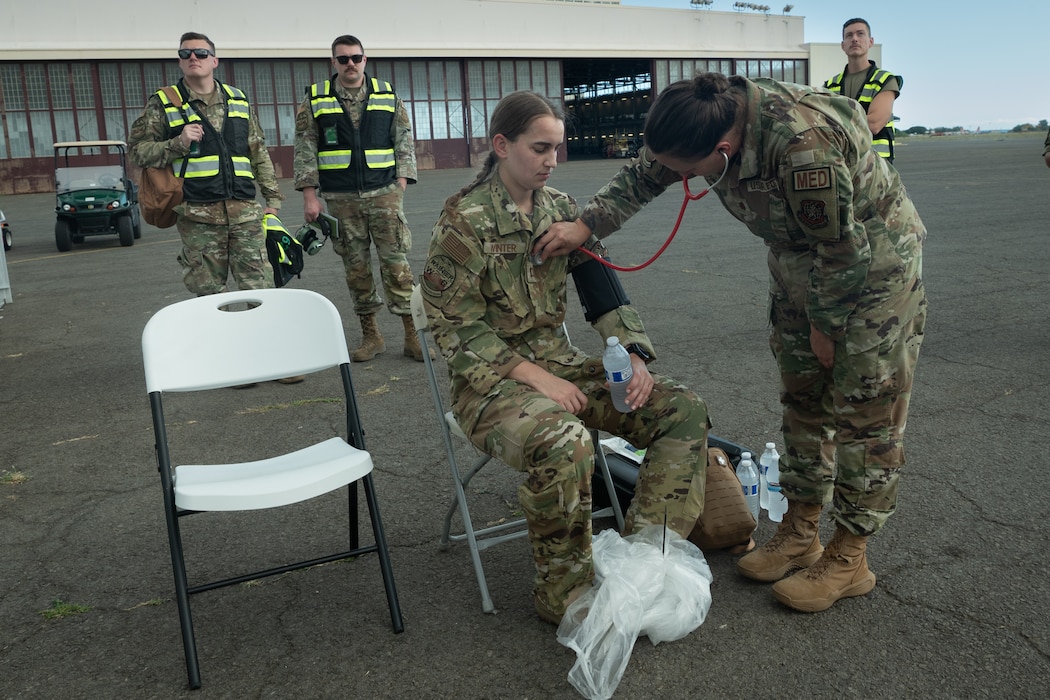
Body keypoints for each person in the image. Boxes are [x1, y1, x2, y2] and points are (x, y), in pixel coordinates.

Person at [536, 73, 927, 613]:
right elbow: (647, 173)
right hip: (796, 265)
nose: (677, 176)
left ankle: (850, 554)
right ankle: (803, 528)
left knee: (866, 414)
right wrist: (586, 224)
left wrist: (826, 327)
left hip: (867, 276)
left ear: (722, 150)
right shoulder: (702, 119)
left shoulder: (801, 145)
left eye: (687, 169)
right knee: (803, 401)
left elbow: (841, 247)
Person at [420, 91, 710, 624]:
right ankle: (563, 592)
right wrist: (534, 378)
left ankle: (643, 559)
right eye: (540, 147)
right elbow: (453, 326)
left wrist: (634, 355)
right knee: (565, 441)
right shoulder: (465, 219)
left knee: (681, 408)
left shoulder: (560, 210)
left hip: (560, 364)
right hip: (488, 387)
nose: (552, 160)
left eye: (558, 148)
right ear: (502, 146)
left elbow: (600, 284)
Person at [129, 32, 301, 387]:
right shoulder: (163, 103)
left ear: (214, 60)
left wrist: (272, 199)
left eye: (201, 53)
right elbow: (137, 151)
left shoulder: (238, 100)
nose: (194, 57)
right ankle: (235, 363)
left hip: (244, 210)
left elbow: (257, 151)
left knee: (261, 287)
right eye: (186, 53)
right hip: (197, 214)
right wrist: (178, 143)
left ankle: (275, 360)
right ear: (180, 60)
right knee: (211, 294)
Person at [293, 34, 427, 363]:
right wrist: (310, 197)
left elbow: (403, 140)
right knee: (356, 269)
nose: (350, 64)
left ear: (365, 60)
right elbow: (305, 148)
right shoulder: (315, 99)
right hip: (341, 199)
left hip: (384, 195)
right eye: (343, 59)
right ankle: (372, 335)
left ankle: (413, 335)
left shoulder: (387, 94)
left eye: (356, 57)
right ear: (333, 63)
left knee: (397, 267)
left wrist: (401, 183)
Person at [823, 18, 902, 162]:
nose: (854, 39)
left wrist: (834, 125)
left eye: (860, 34)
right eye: (849, 35)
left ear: (870, 41)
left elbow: (874, 125)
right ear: (843, 45)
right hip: (843, 167)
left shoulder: (885, 80)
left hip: (877, 169)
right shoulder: (829, 86)